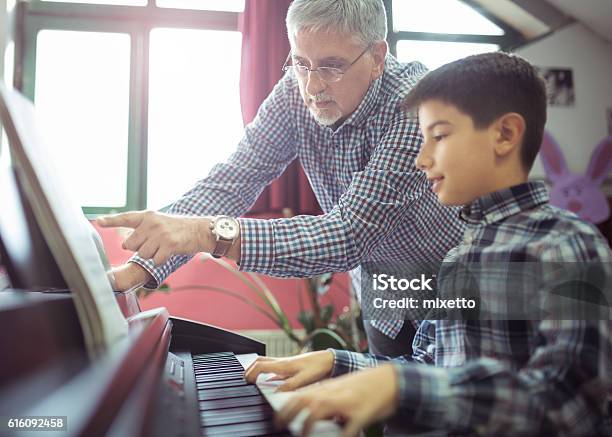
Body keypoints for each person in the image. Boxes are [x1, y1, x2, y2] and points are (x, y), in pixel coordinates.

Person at [246, 52, 612, 436]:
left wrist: (399, 388)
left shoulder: (567, 246)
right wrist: (336, 363)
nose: (421, 159)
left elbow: (570, 403)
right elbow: (431, 368)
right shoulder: (457, 257)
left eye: (438, 136)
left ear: (505, 135)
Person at [96, 0, 464, 357]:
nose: (313, 86)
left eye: (332, 67)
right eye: (301, 63)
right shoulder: (295, 92)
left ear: (377, 58)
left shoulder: (416, 106)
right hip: (384, 299)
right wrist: (139, 266)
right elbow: (234, 180)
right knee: (396, 415)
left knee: (461, 409)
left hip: (454, 291)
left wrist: (202, 233)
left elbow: (348, 235)